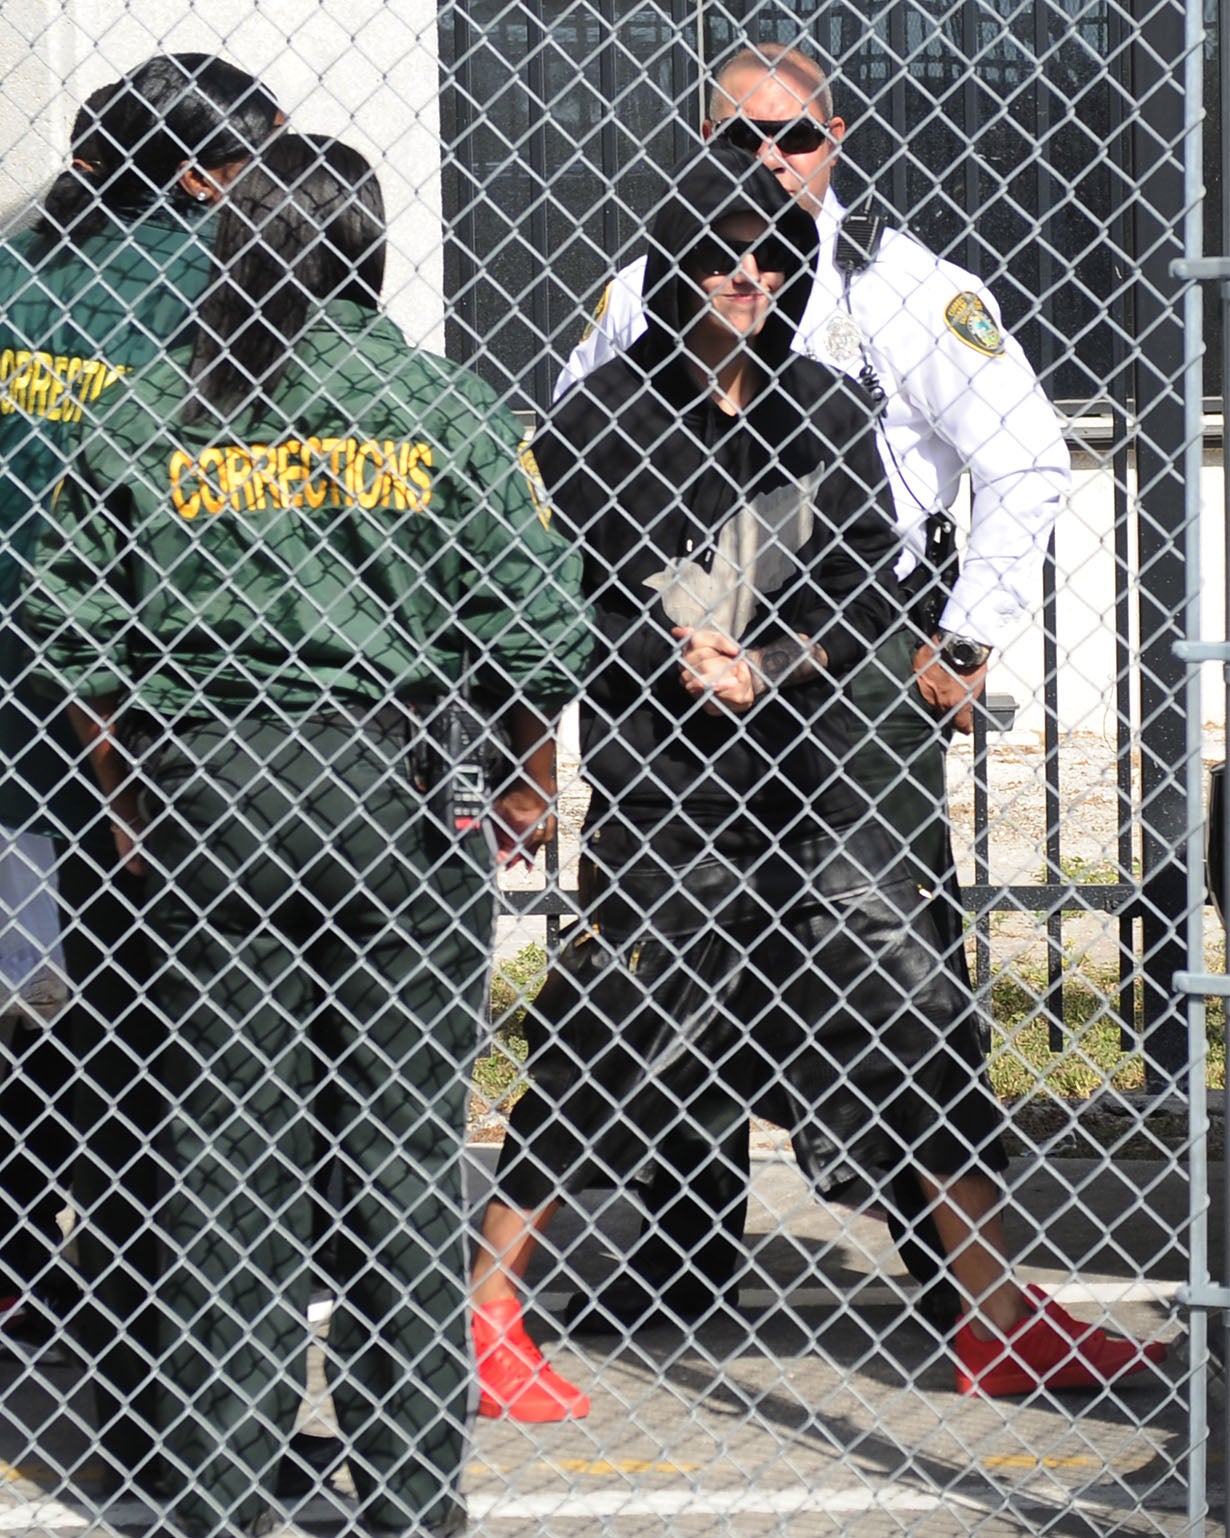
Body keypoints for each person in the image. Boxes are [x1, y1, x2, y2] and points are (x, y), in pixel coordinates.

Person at [468, 138, 1163, 1425]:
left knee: (908, 999)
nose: (749, 272)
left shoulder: (823, 404)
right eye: (724, 250)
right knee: (620, 1017)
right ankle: (487, 1305)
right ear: (671, 261)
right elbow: (554, 588)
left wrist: (770, 660)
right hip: (667, 762)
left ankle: (994, 1309)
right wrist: (667, 650)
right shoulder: (597, 417)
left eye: (774, 253)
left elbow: (859, 579)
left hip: (810, 758)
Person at [25, 131, 592, 1537]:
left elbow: (62, 615)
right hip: (399, 790)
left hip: (209, 785)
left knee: (232, 1153)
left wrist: (126, 778)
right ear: (369, 246)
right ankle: (408, 1495)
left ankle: (218, 1493)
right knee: (401, 1151)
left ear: (231, 246)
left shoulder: (156, 405)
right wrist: (521, 784)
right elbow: (537, 620)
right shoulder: (440, 404)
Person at [552, 40, 1073, 1333]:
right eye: (741, 142)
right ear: (703, 143)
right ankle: (676, 1255)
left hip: (850, 653)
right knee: (668, 943)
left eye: (793, 138)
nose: (770, 164)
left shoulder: (906, 287)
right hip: (681, 655)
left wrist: (961, 639)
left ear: (834, 137)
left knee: (880, 951)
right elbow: (572, 452)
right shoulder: (645, 286)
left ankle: (957, 1275)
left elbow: (1027, 463)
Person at [0, 54, 284, 1492]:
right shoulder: (207, 282)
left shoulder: (16, 261)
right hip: (143, 717)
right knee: (143, 1038)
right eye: (260, 162)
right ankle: (150, 1365)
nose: (278, 191)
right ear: (196, 173)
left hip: (12, 698)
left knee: (21, 996)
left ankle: (18, 1268)